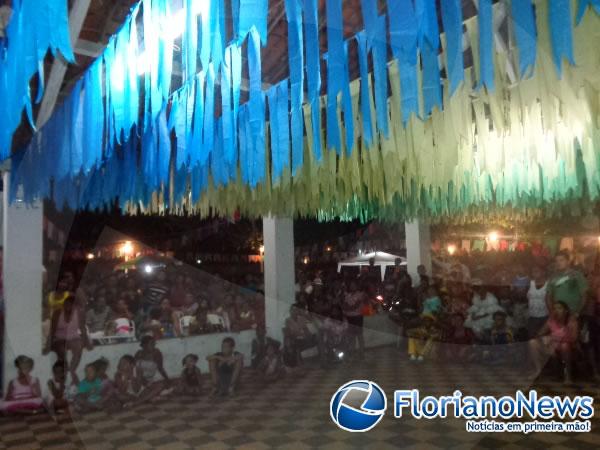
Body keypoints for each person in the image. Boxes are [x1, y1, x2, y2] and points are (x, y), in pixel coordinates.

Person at [44, 296, 91, 385]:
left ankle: (72, 371)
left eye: (71, 305)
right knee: (62, 351)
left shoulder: (79, 313)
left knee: (78, 348)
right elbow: (52, 331)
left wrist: (88, 343)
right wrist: (47, 346)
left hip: (73, 338)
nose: (68, 307)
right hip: (59, 339)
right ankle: (65, 375)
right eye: (66, 304)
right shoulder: (57, 313)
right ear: (64, 304)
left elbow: (83, 329)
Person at [529, 301, 578, 384]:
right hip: (552, 346)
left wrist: (556, 339)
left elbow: (574, 338)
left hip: (567, 346)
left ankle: (567, 375)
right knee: (532, 342)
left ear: (566, 311)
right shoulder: (551, 320)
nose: (556, 310)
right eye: (555, 308)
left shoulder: (571, 321)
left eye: (559, 308)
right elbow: (539, 334)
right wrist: (545, 339)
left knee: (564, 346)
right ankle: (538, 371)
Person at [547, 250, 588, 316]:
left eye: (561, 260)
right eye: (556, 261)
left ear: (568, 261)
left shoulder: (577, 275)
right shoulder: (552, 277)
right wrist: (552, 312)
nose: (558, 263)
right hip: (558, 315)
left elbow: (584, 296)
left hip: (573, 314)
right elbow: (548, 296)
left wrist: (577, 313)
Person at [135, 335, 172, 403]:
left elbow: (160, 368)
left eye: (154, 344)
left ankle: (148, 397)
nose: (154, 345)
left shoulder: (157, 353)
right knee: (153, 391)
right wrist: (143, 381)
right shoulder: (138, 354)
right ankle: (149, 398)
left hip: (150, 380)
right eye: (151, 344)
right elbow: (135, 371)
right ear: (144, 345)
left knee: (161, 385)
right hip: (139, 380)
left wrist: (168, 380)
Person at [342, 282, 367, 359]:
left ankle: (362, 353)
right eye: (351, 286)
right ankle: (353, 352)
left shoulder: (360, 294)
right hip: (349, 317)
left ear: (357, 286)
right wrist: (347, 309)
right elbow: (344, 305)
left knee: (359, 335)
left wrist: (348, 308)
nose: (352, 287)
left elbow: (356, 306)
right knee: (351, 336)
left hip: (357, 317)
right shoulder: (347, 295)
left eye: (354, 285)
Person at [527, 265, 549, 338]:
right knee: (532, 339)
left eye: (537, 271)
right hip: (532, 316)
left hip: (545, 316)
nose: (534, 273)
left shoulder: (548, 284)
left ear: (543, 272)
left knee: (544, 339)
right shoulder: (530, 283)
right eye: (533, 272)